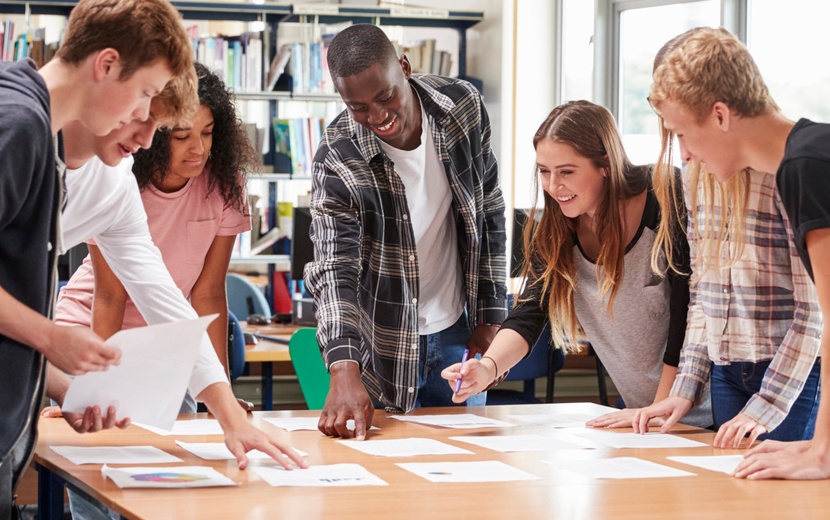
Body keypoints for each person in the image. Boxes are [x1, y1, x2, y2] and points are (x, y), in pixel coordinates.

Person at [44, 62, 278, 520]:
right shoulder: (97, 166)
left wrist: (225, 407)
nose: (197, 149)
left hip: (145, 343)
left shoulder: (128, 183)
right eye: (178, 133)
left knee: (166, 478)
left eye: (207, 133)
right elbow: (108, 298)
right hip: (83, 336)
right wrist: (81, 381)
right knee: (95, 472)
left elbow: (185, 298)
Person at [0, 1, 196, 516]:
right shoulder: (18, 124)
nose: (140, 115)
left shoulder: (41, 136)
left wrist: (65, 383)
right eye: (145, 94)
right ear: (106, 65)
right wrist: (52, 337)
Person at [441, 100, 712, 429]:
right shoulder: (558, 232)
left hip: (705, 409)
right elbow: (529, 313)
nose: (554, 187)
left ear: (605, 165)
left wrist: (658, 409)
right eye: (544, 171)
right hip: (644, 415)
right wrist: (488, 368)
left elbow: (688, 313)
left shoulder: (664, 197)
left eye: (566, 172)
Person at [304, 24, 507, 441]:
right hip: (382, 345)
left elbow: (489, 212)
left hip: (458, 334)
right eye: (358, 107)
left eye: (385, 96)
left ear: (404, 67)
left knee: (464, 477)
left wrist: (490, 317)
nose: (377, 117)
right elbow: (334, 269)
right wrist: (343, 367)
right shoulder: (338, 157)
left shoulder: (462, 106)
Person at [633, 27, 822, 459]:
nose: (682, 154)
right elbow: (703, 292)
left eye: (681, 134)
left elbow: (817, 314)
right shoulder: (701, 177)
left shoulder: (800, 169)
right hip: (726, 369)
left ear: (719, 115)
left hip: (790, 370)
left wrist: (771, 408)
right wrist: (685, 386)